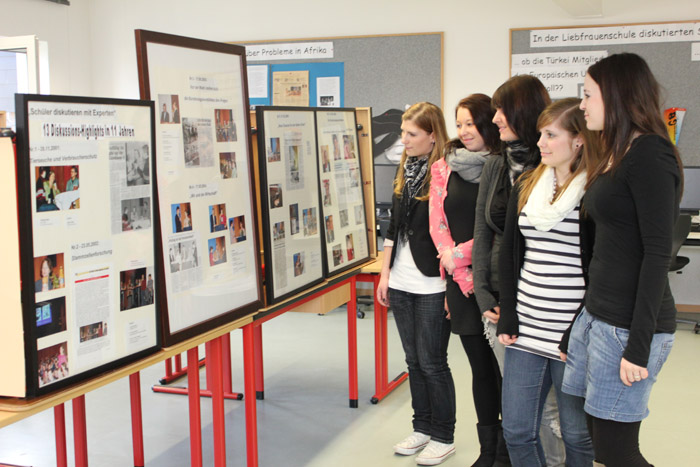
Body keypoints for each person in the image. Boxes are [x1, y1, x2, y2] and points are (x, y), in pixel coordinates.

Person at [561, 53, 682, 467]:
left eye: (588, 95)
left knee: (618, 451)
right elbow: (606, 246)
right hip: (598, 316)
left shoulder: (651, 155)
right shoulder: (615, 151)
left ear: (617, 96)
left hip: (628, 326)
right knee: (598, 441)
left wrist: (639, 346)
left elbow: (657, 254)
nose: (582, 105)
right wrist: (579, 323)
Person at [497, 98, 599, 466]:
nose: (540, 142)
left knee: (576, 435)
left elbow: (601, 269)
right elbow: (509, 253)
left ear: (579, 139)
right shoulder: (528, 184)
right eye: (541, 134)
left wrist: (577, 331)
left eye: (551, 135)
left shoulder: (595, 191)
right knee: (517, 431)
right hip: (526, 328)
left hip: (571, 334)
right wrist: (509, 313)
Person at [473, 75, 566, 465]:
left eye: (502, 110)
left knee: (551, 410)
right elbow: (482, 233)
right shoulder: (496, 164)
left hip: (546, 304)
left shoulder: (557, 165)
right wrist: (483, 296)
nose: (495, 118)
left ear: (523, 111)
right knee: (519, 410)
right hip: (500, 304)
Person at [428, 94, 506, 467]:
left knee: (504, 371)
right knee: (480, 370)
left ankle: (508, 450)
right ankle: (487, 451)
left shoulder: (504, 166)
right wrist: (456, 269)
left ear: (489, 123)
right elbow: (437, 221)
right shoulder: (444, 166)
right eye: (459, 124)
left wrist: (459, 256)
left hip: (495, 282)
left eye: (470, 124)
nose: (463, 131)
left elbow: (498, 227)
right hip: (460, 286)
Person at [376, 102, 456, 466]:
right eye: (402, 133)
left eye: (411, 134)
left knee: (433, 362)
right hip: (401, 280)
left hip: (433, 284)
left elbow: (453, 233)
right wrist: (385, 274)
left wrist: (453, 288)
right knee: (413, 361)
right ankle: (421, 428)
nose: (404, 141)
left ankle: (443, 435)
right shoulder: (405, 169)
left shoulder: (447, 175)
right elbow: (393, 228)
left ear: (432, 136)